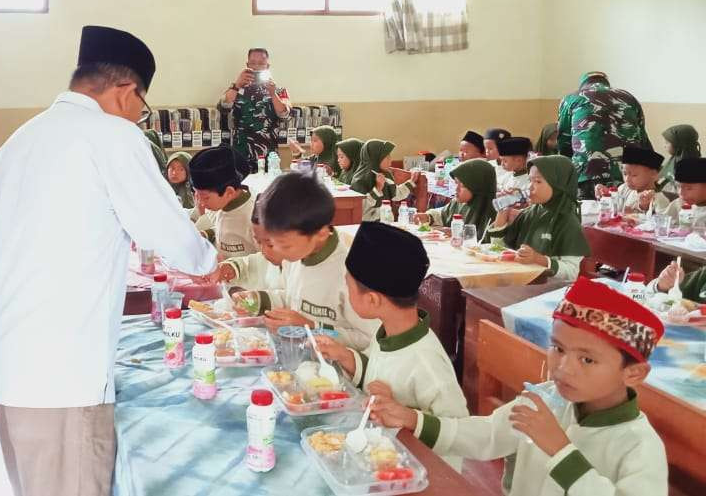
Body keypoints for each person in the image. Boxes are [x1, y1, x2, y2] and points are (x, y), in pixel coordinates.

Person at [0, 25, 217, 496]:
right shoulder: (110, 136)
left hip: (11, 364)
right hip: (63, 377)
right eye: (142, 108)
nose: (138, 119)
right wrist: (212, 260)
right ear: (127, 91)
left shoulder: (21, 140)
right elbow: (173, 239)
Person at [371, 277, 668, 496]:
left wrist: (560, 450)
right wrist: (412, 418)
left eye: (587, 360)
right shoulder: (548, 400)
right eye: (558, 348)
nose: (563, 367)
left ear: (634, 373)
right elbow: (487, 435)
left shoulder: (639, 447)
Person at [314, 222, 468, 469]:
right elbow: (378, 373)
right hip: (380, 457)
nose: (345, 289)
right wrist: (346, 357)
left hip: (417, 472)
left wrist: (405, 415)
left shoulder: (427, 362)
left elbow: (459, 431)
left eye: (348, 285)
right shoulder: (387, 332)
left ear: (373, 299)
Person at [247, 172, 380, 353]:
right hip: (299, 355)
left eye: (284, 245)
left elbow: (368, 338)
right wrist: (259, 300)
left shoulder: (351, 275)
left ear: (321, 234)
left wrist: (311, 326)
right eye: (273, 241)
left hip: (333, 371)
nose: (276, 251)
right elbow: (295, 299)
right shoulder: (297, 256)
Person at [487, 156, 591, 280]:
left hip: (547, 289)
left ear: (558, 185)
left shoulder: (567, 221)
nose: (530, 187)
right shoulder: (529, 213)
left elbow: (571, 273)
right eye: (530, 180)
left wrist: (538, 259)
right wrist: (502, 212)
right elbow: (498, 249)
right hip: (520, 281)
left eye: (538, 181)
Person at [557, 71, 651, 199]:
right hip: (626, 172)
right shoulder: (629, 98)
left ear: (583, 84)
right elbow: (642, 138)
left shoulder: (572, 99)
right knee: (623, 213)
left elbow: (564, 141)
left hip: (587, 171)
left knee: (588, 213)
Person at [218, 48, 291, 171]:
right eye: (253, 63)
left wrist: (273, 94)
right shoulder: (237, 88)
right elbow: (223, 108)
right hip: (241, 152)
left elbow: (285, 114)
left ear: (267, 66)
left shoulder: (278, 91)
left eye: (261, 64)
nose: (257, 67)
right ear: (247, 65)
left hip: (268, 154)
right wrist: (237, 85)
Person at [190, 146, 259, 258]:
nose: (201, 203)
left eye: (205, 197)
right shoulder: (222, 205)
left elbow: (268, 258)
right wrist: (208, 234)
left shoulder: (255, 216)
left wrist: (235, 266)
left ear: (229, 192)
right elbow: (226, 230)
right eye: (196, 194)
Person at [215, 194, 285, 293]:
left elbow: (289, 299)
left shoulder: (299, 268)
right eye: (259, 242)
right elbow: (255, 262)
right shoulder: (271, 257)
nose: (264, 251)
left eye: (270, 245)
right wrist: (234, 267)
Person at [417, 159, 497, 241]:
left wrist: (460, 235)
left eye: (462, 186)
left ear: (476, 187)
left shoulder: (492, 212)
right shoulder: (458, 203)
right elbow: (443, 214)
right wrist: (428, 217)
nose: (456, 189)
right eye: (456, 183)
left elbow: (491, 243)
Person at [350, 139, 418, 221]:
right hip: (368, 226)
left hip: (386, 223)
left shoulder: (386, 175)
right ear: (375, 158)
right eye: (386, 156)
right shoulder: (360, 180)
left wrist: (412, 181)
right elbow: (361, 209)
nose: (390, 159)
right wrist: (378, 188)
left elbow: (396, 194)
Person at [594, 147, 669, 215]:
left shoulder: (659, 199)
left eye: (634, 175)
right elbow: (615, 205)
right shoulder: (624, 188)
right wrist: (606, 194)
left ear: (654, 175)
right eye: (625, 173)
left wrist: (643, 208)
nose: (627, 179)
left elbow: (661, 224)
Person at [658, 124, 700, 198]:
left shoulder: (688, 166)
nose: (664, 146)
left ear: (678, 144)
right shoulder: (676, 157)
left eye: (667, 143)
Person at [662, 157, 706, 225]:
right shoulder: (678, 204)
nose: (681, 193)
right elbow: (660, 221)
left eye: (689, 188)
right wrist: (645, 206)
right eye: (678, 186)